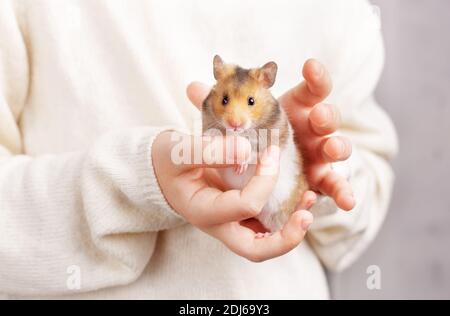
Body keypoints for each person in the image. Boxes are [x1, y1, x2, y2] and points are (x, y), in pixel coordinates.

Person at [0, 0, 397, 299]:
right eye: (226, 104)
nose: (236, 119)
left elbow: (360, 213)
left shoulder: (343, 13)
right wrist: (138, 181)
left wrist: (316, 172)